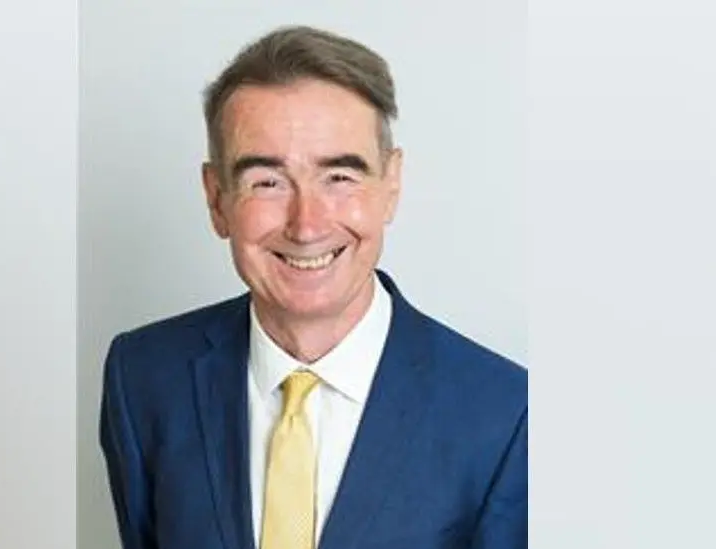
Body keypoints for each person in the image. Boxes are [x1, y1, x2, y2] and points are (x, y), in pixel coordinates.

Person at [99, 24, 527, 549]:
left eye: (339, 177)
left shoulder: (506, 413)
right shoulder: (142, 378)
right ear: (217, 200)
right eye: (268, 182)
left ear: (390, 187)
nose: (307, 224)